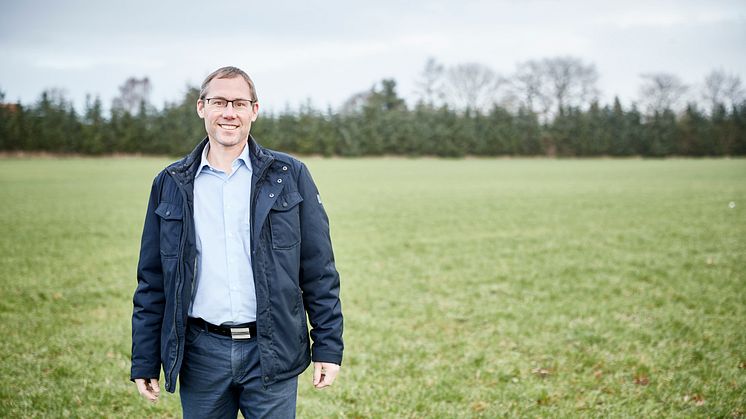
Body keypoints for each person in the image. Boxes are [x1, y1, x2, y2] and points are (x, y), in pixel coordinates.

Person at [130, 66, 344, 418]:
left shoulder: (290, 176)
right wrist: (145, 359)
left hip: (271, 350)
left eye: (239, 103)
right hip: (200, 355)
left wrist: (328, 347)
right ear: (202, 107)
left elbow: (319, 269)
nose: (229, 112)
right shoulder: (170, 182)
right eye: (219, 102)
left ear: (254, 111)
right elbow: (152, 280)